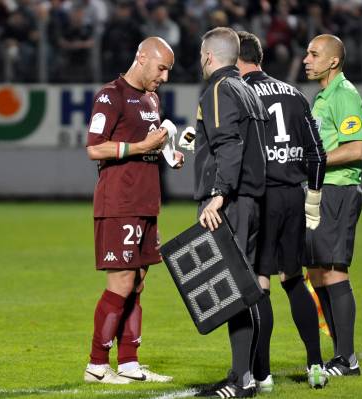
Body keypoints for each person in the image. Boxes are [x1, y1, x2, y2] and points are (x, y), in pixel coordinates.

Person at [84, 37, 183, 384]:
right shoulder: (111, 95)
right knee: (122, 282)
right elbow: (94, 149)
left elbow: (147, 149)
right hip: (118, 204)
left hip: (145, 203)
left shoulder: (152, 100)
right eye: (161, 68)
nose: (165, 77)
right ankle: (97, 366)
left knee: (138, 282)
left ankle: (128, 363)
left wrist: (169, 153)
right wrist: (142, 146)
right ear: (141, 57)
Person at [236, 31, 328, 392]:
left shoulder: (239, 93)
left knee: (260, 285)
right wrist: (314, 199)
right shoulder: (294, 94)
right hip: (294, 195)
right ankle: (316, 365)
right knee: (294, 278)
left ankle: (263, 375)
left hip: (261, 197)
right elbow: (317, 156)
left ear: (236, 60)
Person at [193, 27, 268, 398]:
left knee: (235, 291)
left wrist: (218, 195)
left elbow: (228, 145)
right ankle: (244, 374)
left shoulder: (220, 90)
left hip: (232, 202)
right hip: (252, 200)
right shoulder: (248, 90)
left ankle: (242, 379)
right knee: (244, 288)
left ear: (209, 57)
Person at [302, 34, 362, 377]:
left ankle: (347, 358)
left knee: (334, 270)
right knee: (316, 272)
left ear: (333, 61)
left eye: (314, 54)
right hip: (320, 192)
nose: (305, 59)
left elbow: (356, 149)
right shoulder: (322, 97)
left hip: (339, 191)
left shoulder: (344, 95)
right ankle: (339, 354)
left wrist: (317, 161)